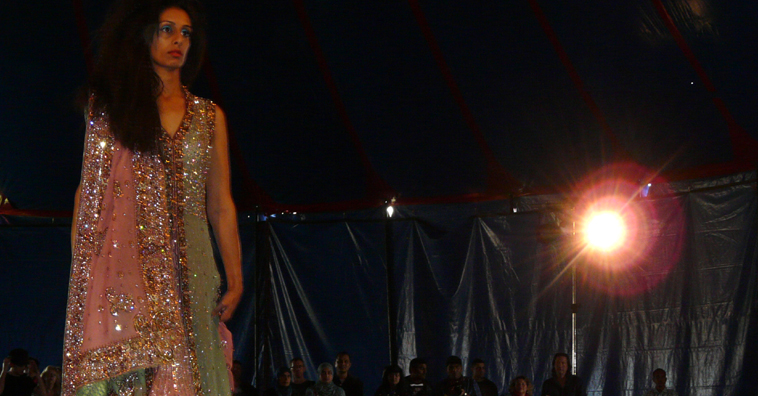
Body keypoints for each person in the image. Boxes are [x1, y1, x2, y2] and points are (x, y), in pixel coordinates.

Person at [62, 1, 242, 396]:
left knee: (193, 371)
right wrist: (86, 276)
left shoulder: (210, 118)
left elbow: (220, 204)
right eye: (166, 29)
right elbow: (90, 192)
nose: (178, 40)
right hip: (130, 276)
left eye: (186, 33)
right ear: (144, 36)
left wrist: (235, 276)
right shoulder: (114, 112)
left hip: (196, 273)